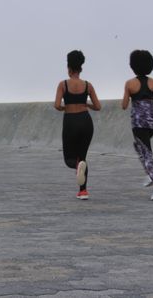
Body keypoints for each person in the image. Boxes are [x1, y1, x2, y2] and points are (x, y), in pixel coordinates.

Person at [121, 50, 153, 201]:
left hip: (138, 123)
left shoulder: (130, 83)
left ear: (133, 66)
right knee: (139, 147)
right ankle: (149, 175)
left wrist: (128, 97)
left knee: (146, 152)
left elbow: (124, 106)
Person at [54, 50, 101, 200]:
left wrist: (64, 107)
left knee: (70, 159)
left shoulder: (63, 85)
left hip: (70, 121)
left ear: (69, 68)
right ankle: (83, 191)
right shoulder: (88, 85)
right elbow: (98, 106)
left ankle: (76, 166)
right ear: (81, 68)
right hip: (86, 121)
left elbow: (56, 105)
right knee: (83, 157)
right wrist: (85, 103)